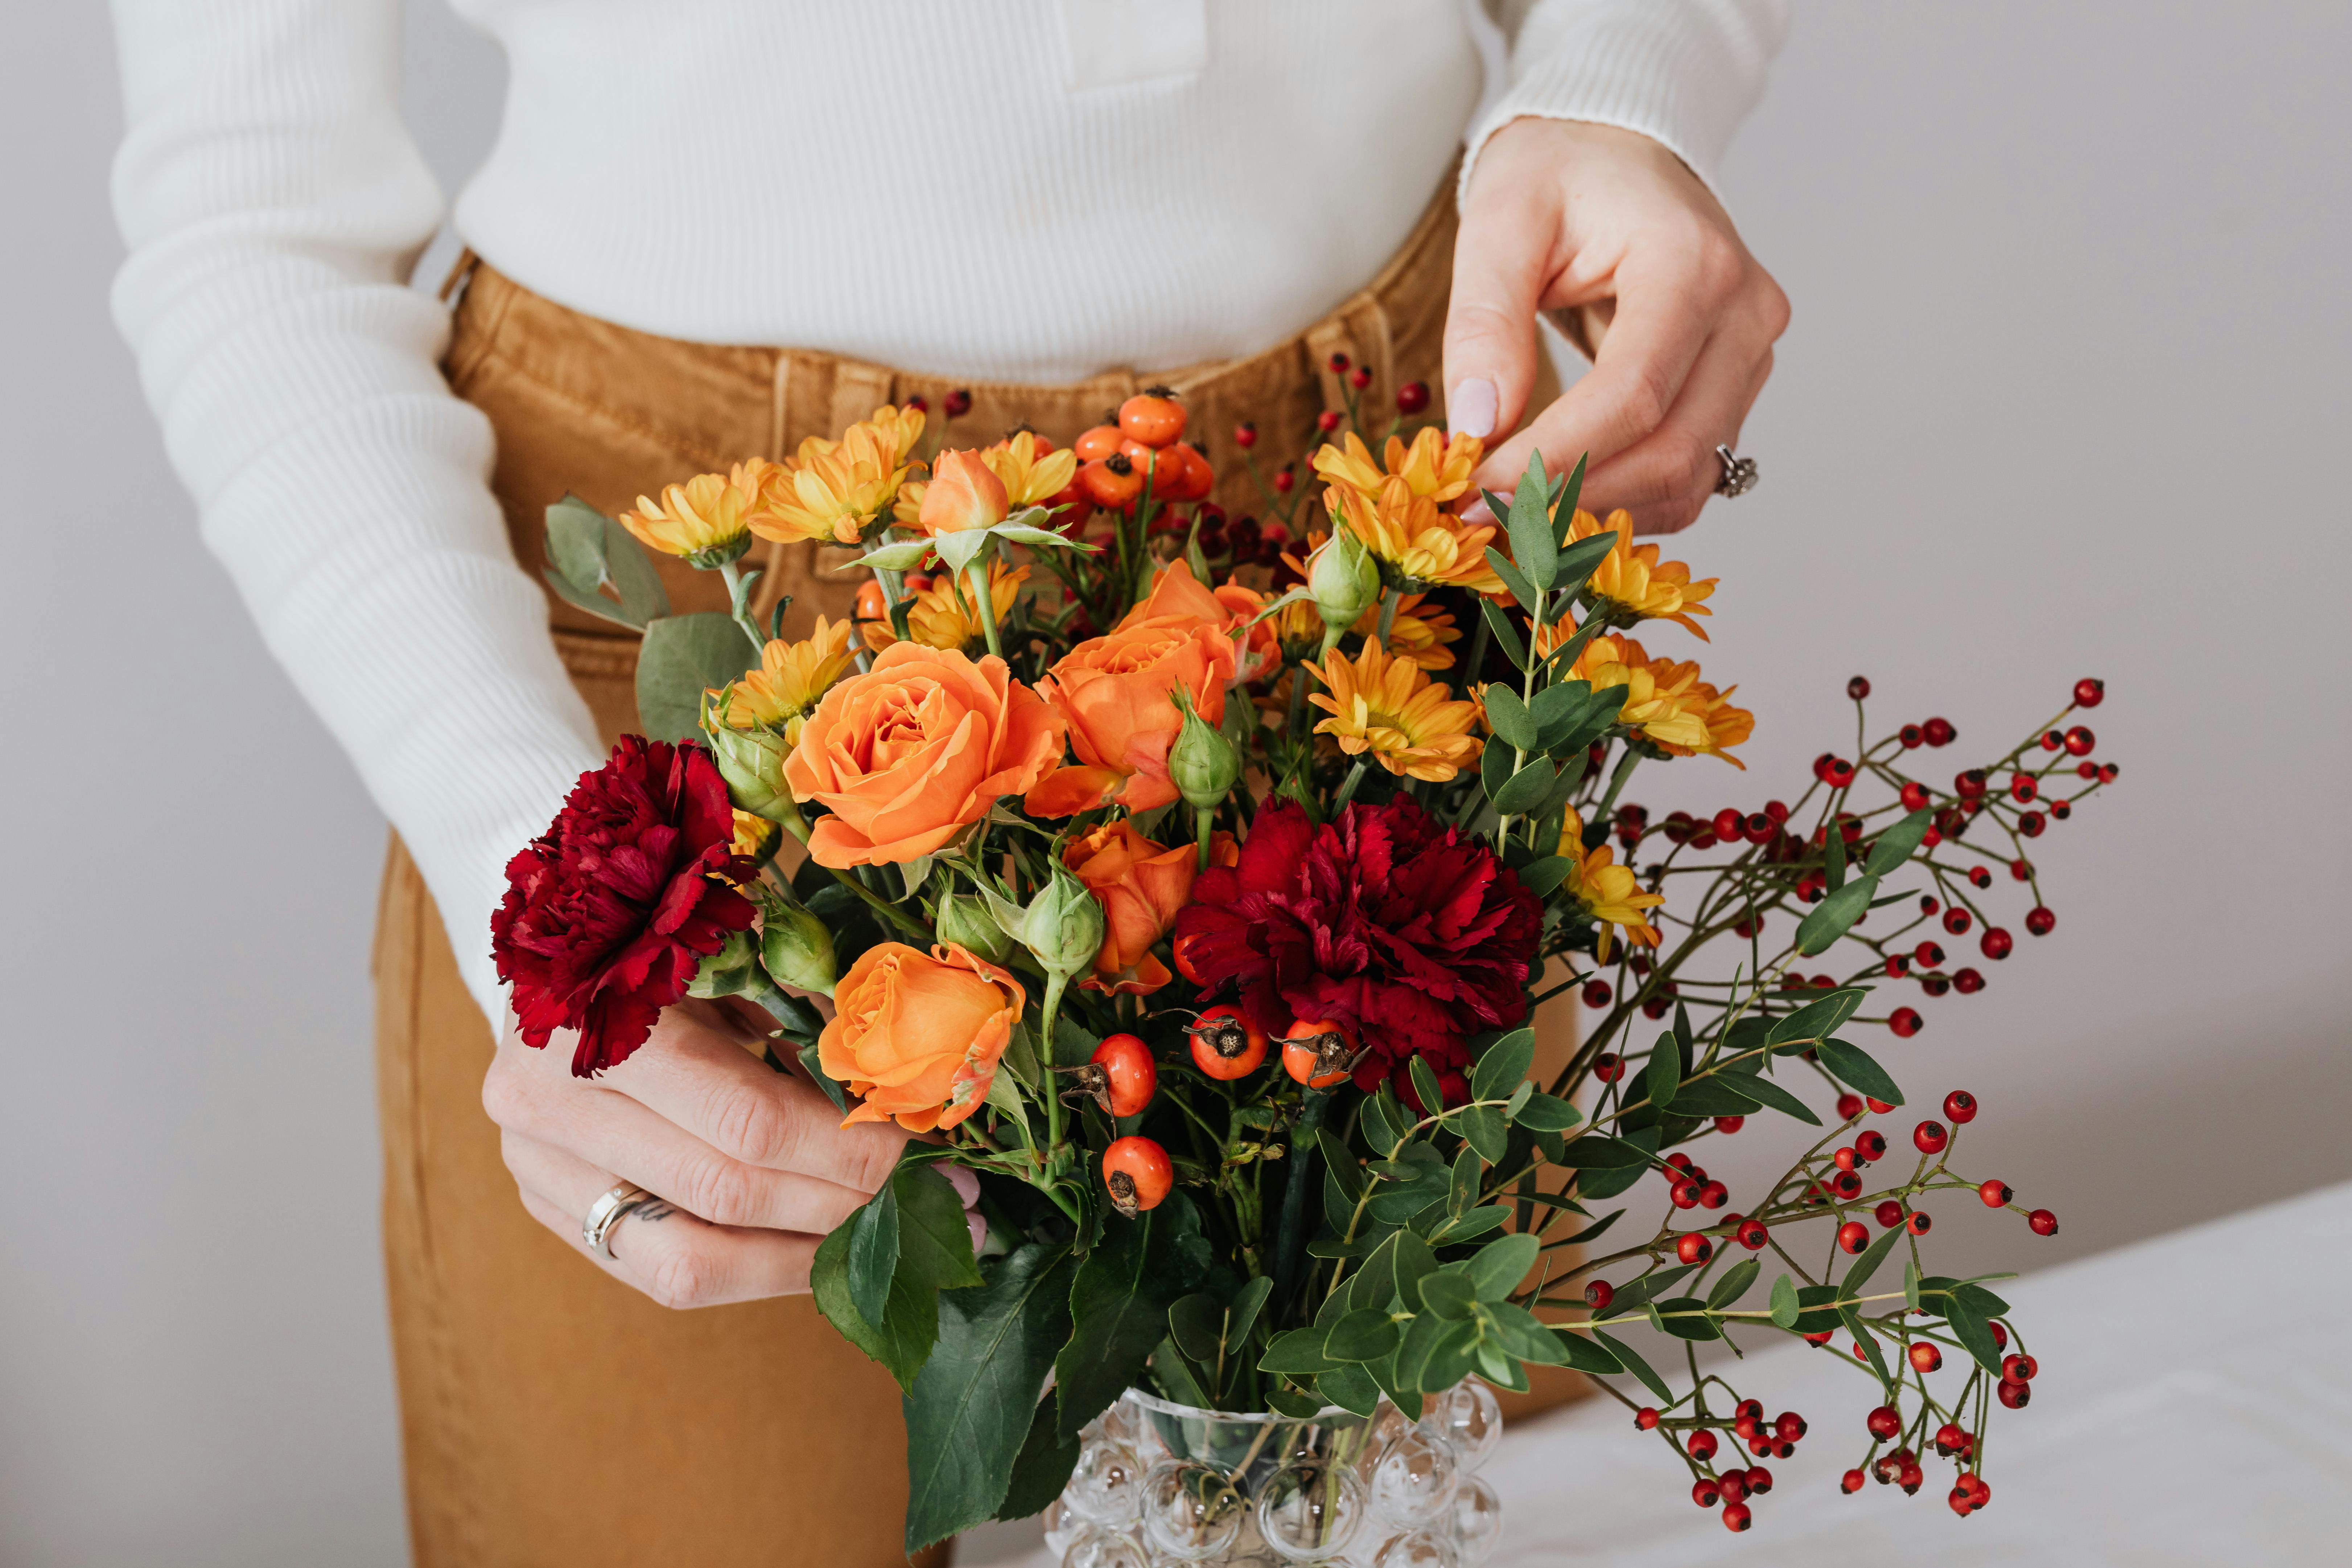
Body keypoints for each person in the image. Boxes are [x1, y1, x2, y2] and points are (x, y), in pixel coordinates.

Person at [109, 3, 1789, 1563]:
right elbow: (252, 224)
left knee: (1406, 1510)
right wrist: (536, 875)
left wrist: (1623, 85)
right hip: (693, 671)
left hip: (1364, 575)